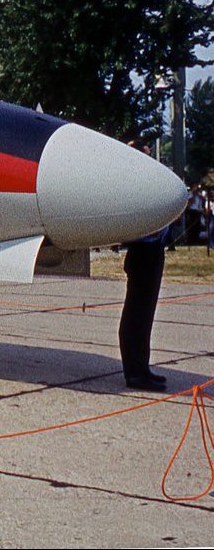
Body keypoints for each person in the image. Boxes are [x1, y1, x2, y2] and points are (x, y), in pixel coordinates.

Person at [119, 140, 168, 392]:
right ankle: (135, 373)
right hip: (142, 250)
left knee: (145, 313)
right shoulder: (131, 185)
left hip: (152, 248)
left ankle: (142, 367)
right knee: (137, 313)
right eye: (146, 155)